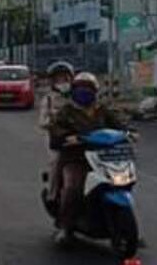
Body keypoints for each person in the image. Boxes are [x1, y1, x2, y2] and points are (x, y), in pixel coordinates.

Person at [47, 72, 127, 246]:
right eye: (80, 88)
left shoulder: (102, 110)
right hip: (76, 159)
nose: (84, 92)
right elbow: (55, 133)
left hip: (104, 158)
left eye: (88, 89)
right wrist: (67, 138)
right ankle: (65, 227)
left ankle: (124, 226)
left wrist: (130, 133)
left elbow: (120, 126)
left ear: (95, 91)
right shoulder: (66, 112)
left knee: (122, 183)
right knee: (73, 188)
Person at [40, 60, 75, 204]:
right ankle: (52, 196)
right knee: (56, 163)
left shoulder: (78, 96)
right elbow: (42, 122)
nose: (62, 81)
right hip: (58, 139)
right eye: (59, 78)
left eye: (65, 78)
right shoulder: (48, 100)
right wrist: (52, 123)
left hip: (80, 137)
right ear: (53, 81)